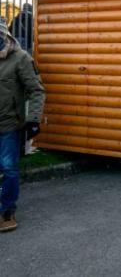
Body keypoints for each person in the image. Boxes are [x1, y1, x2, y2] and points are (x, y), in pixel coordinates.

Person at [0, 19, 45, 232]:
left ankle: (7, 210)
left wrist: (34, 119)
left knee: (8, 168)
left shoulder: (21, 59)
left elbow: (36, 90)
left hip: (8, 124)